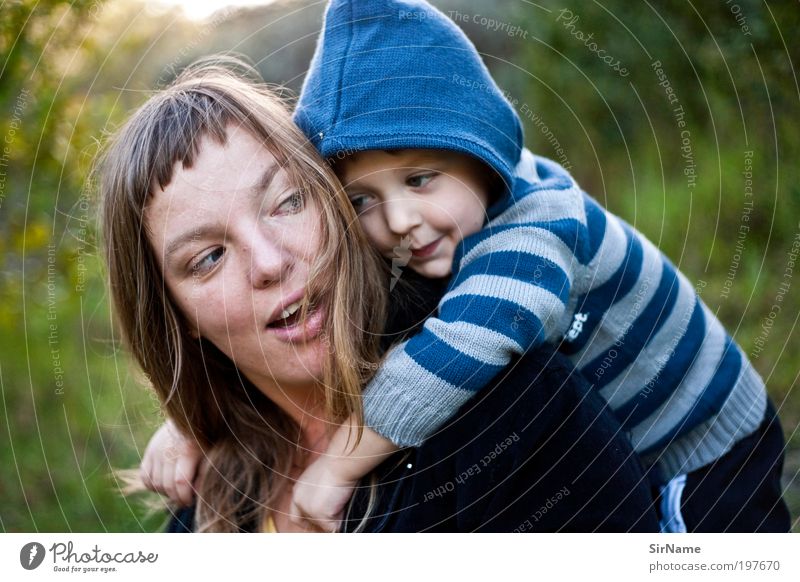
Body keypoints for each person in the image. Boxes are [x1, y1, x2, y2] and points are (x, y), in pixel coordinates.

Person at [285, 0, 788, 532]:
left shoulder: (538, 229)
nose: (400, 219)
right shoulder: (467, 213)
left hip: (707, 450)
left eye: (419, 179)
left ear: (479, 150)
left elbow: (462, 345)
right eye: (362, 201)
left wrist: (336, 468)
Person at [101, 56, 660, 532]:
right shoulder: (199, 509)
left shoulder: (511, 411)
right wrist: (192, 417)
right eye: (209, 258)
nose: (270, 263)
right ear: (178, 314)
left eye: (287, 202)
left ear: (338, 204)